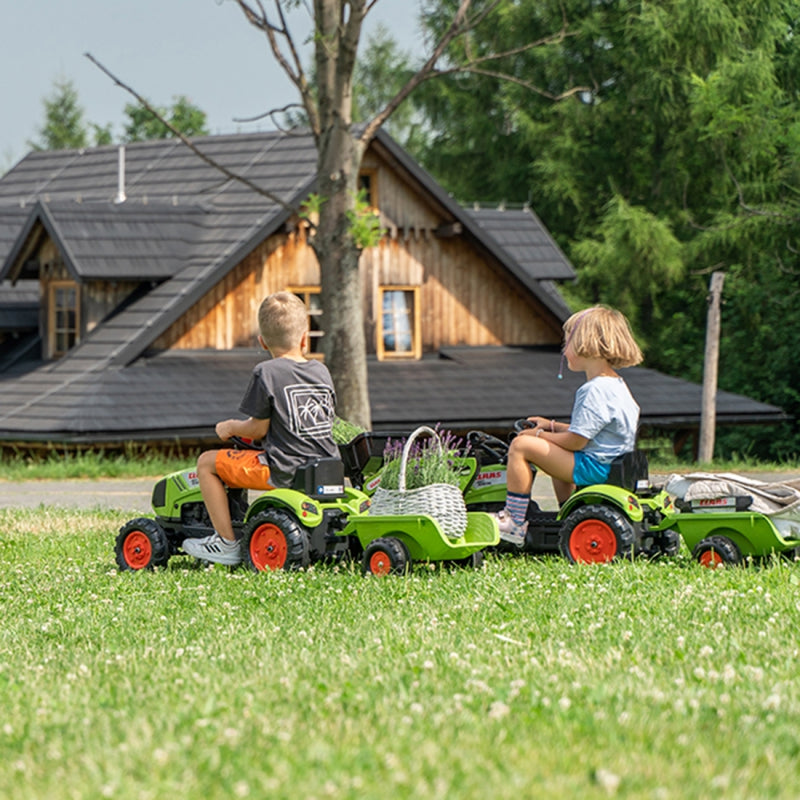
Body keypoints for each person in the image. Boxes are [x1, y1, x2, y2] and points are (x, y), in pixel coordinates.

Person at [182, 291, 339, 565]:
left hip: (284, 468)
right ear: (305, 337)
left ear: (262, 342)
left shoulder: (266, 372)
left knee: (207, 463)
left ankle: (226, 542)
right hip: (325, 467)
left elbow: (257, 430)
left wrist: (230, 427)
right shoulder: (321, 371)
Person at [496, 305, 644, 546]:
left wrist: (539, 434)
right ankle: (569, 513)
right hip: (611, 463)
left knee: (521, 445)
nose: (564, 352)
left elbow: (577, 441)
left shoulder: (593, 390)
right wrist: (552, 425)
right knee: (556, 455)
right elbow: (592, 431)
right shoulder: (616, 385)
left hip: (595, 467)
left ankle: (514, 521)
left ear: (587, 342)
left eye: (568, 343)